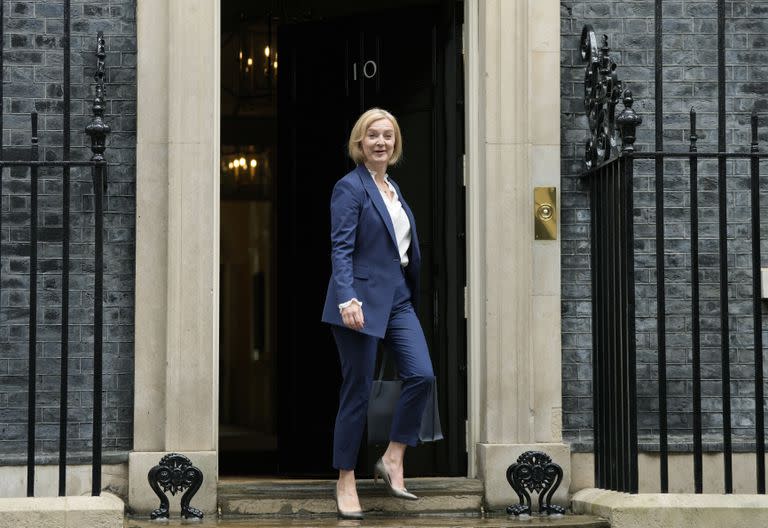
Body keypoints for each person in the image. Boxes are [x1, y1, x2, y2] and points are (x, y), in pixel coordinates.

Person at [321, 108, 436, 520]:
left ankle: (393, 456)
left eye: (388, 135)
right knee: (357, 390)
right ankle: (346, 478)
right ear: (360, 143)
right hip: (359, 302)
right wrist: (347, 298)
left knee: (422, 374)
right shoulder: (349, 188)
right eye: (373, 135)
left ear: (396, 143)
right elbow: (341, 247)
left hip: (398, 298)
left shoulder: (393, 189)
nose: (381, 142)